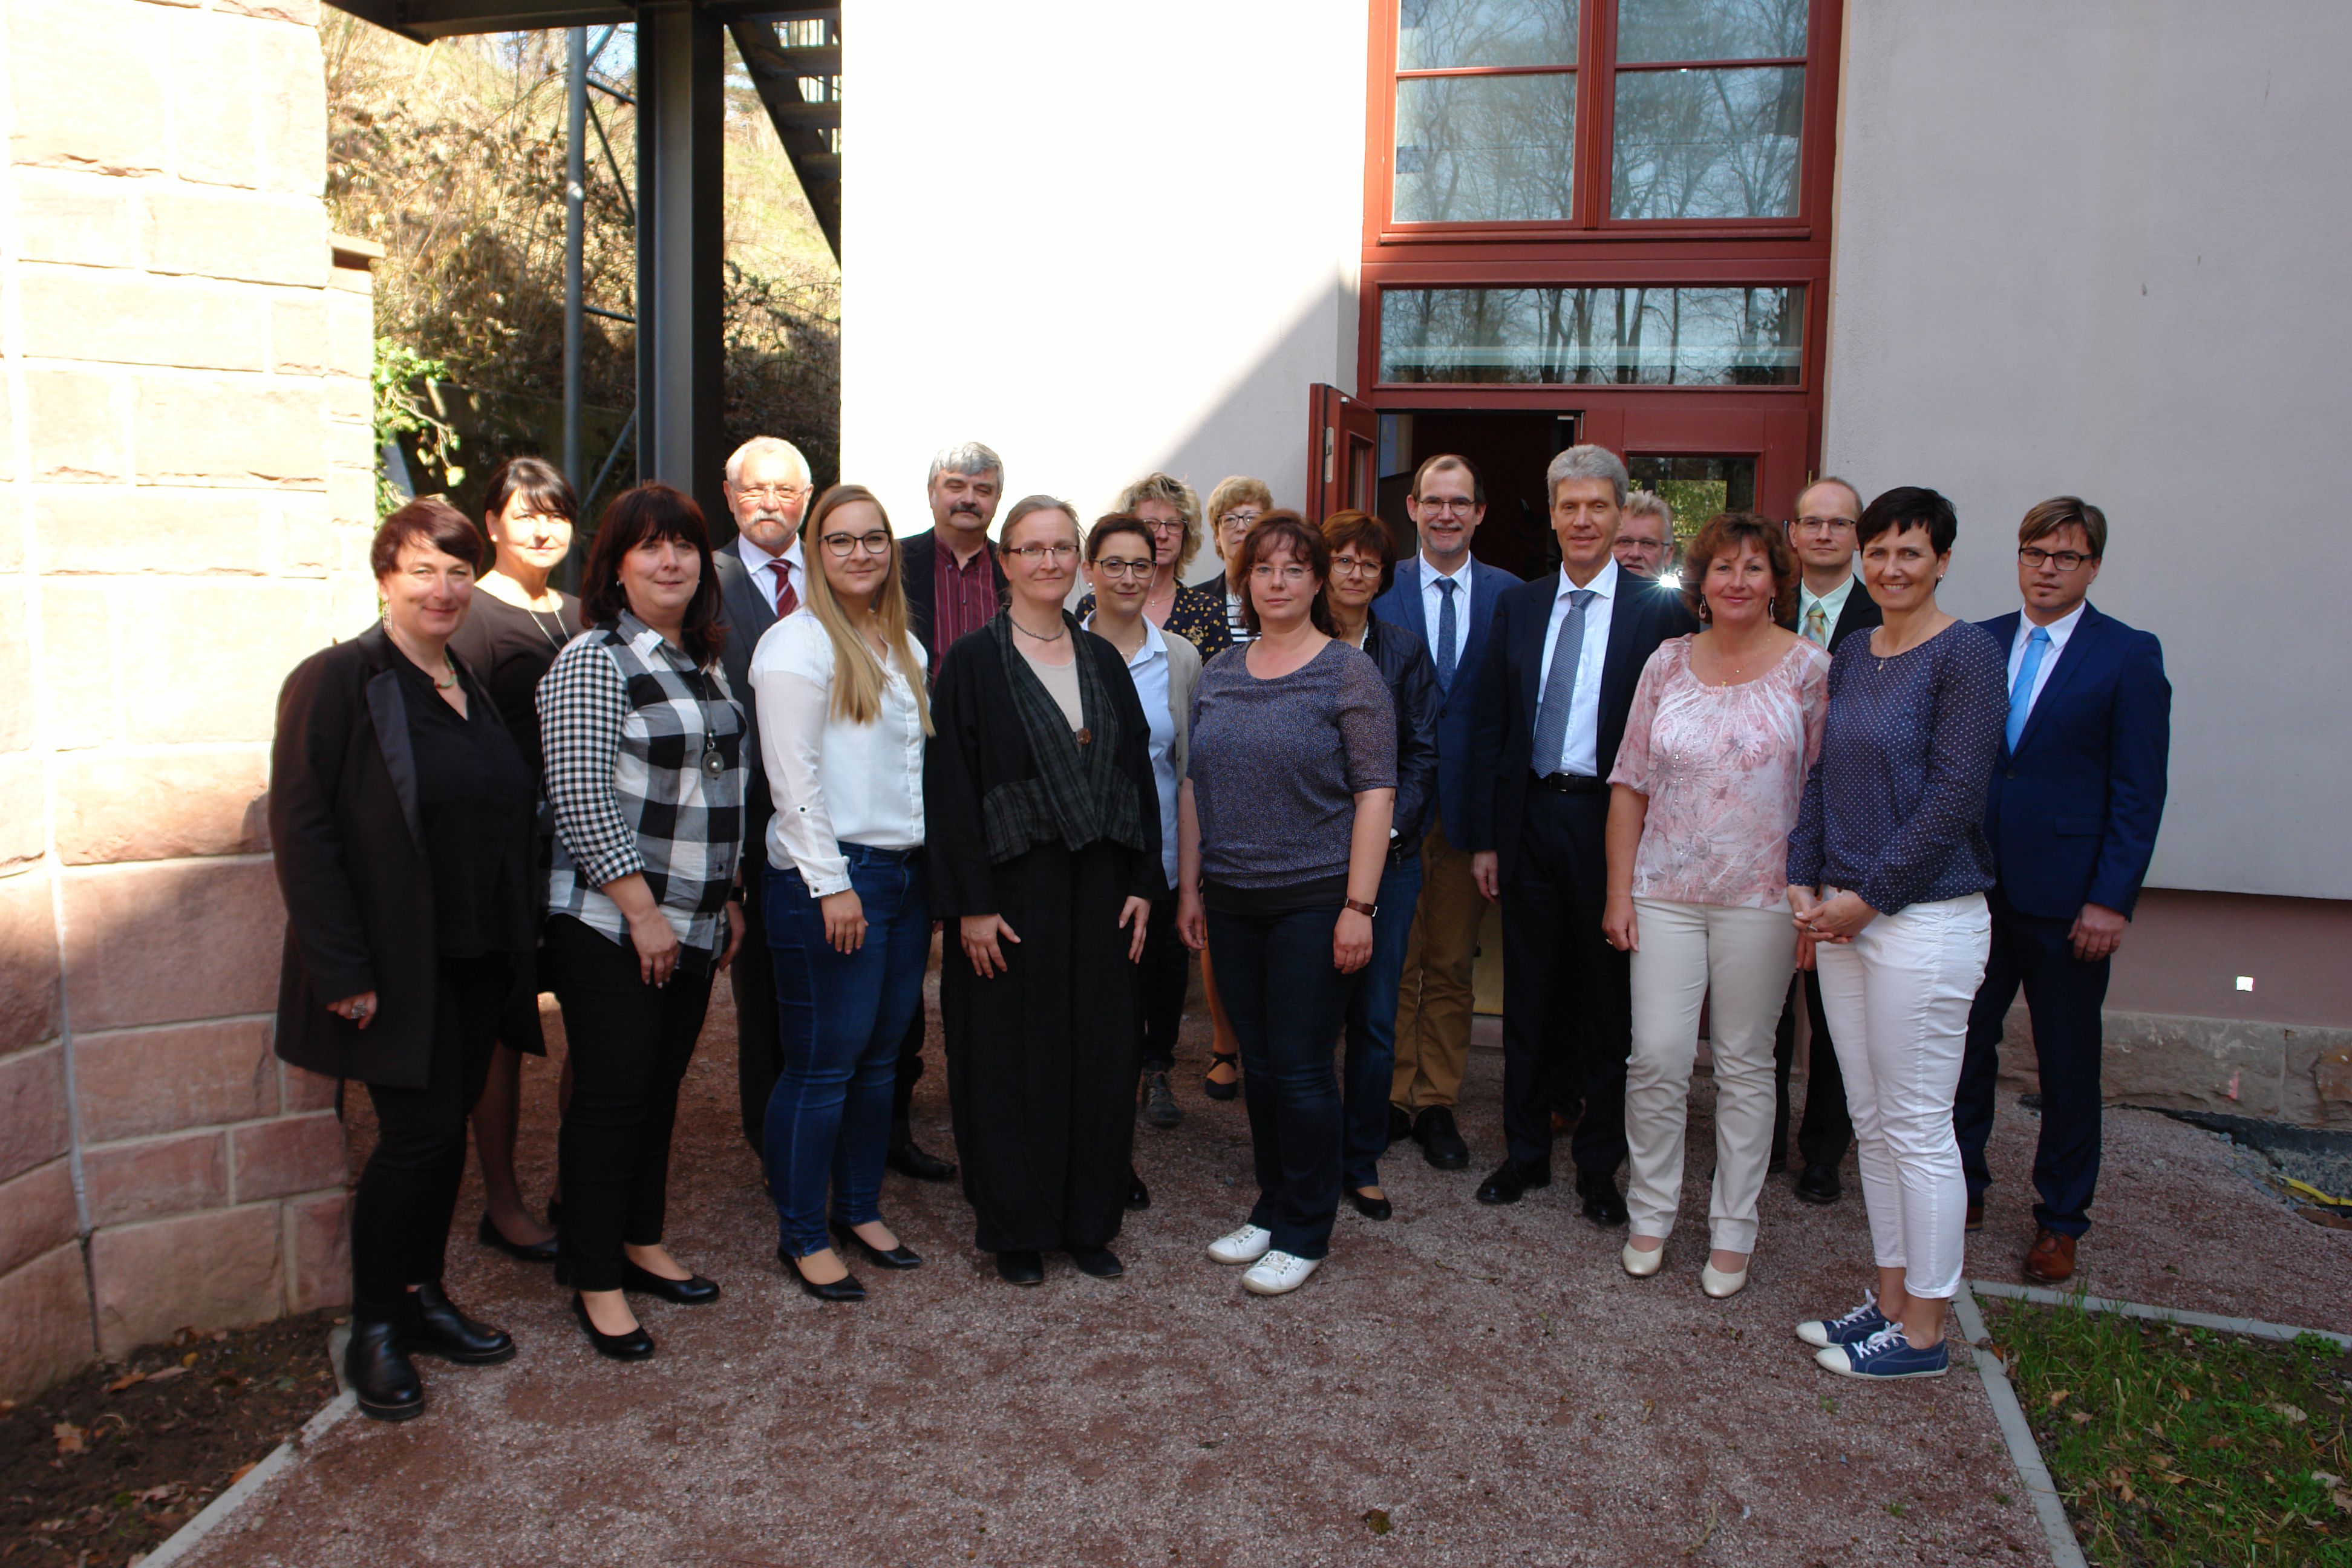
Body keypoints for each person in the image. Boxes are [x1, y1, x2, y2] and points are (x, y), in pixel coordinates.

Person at [271, 497, 536, 1420]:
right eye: (424, 568)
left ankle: (424, 1300)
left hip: (473, 959)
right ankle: (377, 1324)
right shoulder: (338, 681)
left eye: (460, 570)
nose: (444, 587)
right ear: (385, 576)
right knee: (416, 1139)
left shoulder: (466, 681)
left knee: (441, 1134)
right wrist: (342, 972)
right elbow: (303, 835)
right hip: (389, 969)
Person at [1786, 486, 2007, 1381]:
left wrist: (1867, 898)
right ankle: (1885, 1298)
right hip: (1845, 914)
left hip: (1925, 920)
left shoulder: (1970, 655)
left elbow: (1956, 798)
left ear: (1943, 560)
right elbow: (1823, 776)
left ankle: (1925, 1328)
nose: (1890, 566)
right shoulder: (1854, 650)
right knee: (1874, 1124)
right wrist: (1805, 876)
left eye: (1909, 552)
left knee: (1920, 1127)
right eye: (1878, 551)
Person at [926, 496, 1163, 1286]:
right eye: (1033, 549)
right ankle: (1018, 1228)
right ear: (1006, 560)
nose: (1049, 562)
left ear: (1079, 561)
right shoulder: (971, 662)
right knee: (1007, 1060)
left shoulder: (1101, 660)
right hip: (1010, 894)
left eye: (1063, 548)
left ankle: (1088, 1221)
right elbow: (951, 792)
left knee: (1100, 1055)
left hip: (1100, 887)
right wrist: (971, 905)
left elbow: (1139, 775)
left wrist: (1142, 881)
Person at [541, 483, 748, 1360]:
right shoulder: (593, 659)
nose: (670, 562)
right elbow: (581, 797)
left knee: (656, 1089)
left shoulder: (701, 661)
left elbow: (716, 790)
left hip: (694, 921)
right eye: (650, 548)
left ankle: (640, 1238)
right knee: (612, 1095)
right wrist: (643, 912)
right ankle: (594, 1275)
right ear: (616, 567)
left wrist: (726, 896)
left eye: (685, 547)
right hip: (612, 924)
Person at [1467, 445, 1699, 1220]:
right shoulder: (1521, 605)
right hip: (1532, 816)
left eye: (1598, 506)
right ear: (1553, 512)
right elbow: (1497, 723)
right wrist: (1492, 839)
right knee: (1527, 997)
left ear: (1620, 514)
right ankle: (1526, 1153)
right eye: (1569, 505)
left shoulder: (1660, 611)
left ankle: (1600, 1167)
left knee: (1608, 1004)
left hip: (1612, 822)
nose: (1583, 520)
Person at [1604, 514, 1829, 1299]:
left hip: (1763, 900)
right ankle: (1653, 1211)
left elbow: (1826, 795)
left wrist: (1815, 901)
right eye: (1724, 567)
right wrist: (1618, 893)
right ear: (1702, 581)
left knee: (1743, 1064)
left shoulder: (1810, 670)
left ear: (1778, 582)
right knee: (1658, 1056)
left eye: (1755, 567)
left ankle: (1735, 1230)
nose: (1738, 580)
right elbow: (1630, 783)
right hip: (1663, 892)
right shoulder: (1666, 664)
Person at [1179, 512, 1396, 1296]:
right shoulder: (1223, 672)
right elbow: (1197, 783)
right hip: (1232, 900)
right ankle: (1272, 1206)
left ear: (1318, 582)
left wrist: (1359, 907)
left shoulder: (1347, 673)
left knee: (1303, 1070)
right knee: (1263, 1068)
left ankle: (1306, 1228)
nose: (1277, 583)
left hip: (1315, 900)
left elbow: (1377, 792)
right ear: (1246, 581)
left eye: (1294, 570)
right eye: (1263, 570)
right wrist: (1193, 886)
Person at [1954, 497, 2170, 1285]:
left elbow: (2138, 791)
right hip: (1974, 888)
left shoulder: (2127, 656)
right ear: (2017, 559)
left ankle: (2061, 1219)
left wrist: (2112, 898)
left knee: (2067, 1064)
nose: (2047, 568)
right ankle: (1964, 1187)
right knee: (1966, 1045)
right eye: (2035, 552)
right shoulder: (1978, 644)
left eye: (2066, 557)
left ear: (2094, 567)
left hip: (2070, 901)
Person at [750, 484, 936, 1303]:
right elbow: (795, 784)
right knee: (823, 1066)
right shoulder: (795, 645)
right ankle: (801, 1232)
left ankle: (858, 1208)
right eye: (839, 540)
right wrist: (832, 886)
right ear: (815, 553)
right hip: (831, 880)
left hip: (901, 876)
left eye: (873, 539)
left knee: (878, 1062)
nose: (860, 553)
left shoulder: (904, 646)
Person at [445, 457, 581, 1266]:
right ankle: (503, 1203)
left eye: (556, 514)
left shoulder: (576, 611)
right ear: (492, 524)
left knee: (593, 1021)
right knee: (503, 1030)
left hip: (579, 847)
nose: (541, 528)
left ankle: (576, 1181)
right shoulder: (471, 615)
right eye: (524, 514)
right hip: (503, 857)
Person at [1371, 453, 1523, 1172]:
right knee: (1393, 960)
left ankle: (1436, 1101)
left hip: (1468, 816)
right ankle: (1390, 1096)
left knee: (1451, 965)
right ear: (1413, 509)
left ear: (1480, 513)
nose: (1446, 514)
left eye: (1461, 502)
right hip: (1393, 811)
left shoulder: (1512, 597)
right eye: (1434, 500)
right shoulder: (1377, 587)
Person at [887, 440, 1010, 1184]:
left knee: (984, 937)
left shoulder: (1015, 567)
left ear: (999, 497)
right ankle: (892, 1122)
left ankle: (987, 1105)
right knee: (904, 952)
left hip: (992, 777)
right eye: (955, 485)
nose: (968, 498)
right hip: (906, 767)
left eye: (983, 488)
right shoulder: (892, 564)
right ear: (933, 491)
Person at [1320, 509, 1439, 1221]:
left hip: (1389, 861)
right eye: (1344, 560)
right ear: (1323, 568)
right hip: (1307, 860)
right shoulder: (1293, 643)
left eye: (1369, 563)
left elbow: (1423, 751)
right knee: (1307, 1017)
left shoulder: (1403, 651)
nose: (1357, 572)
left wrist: (1387, 829)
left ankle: (1359, 1159)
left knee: (1373, 1017)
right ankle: (1300, 1151)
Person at [1770, 476, 1878, 1206]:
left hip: (1845, 837)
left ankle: (1822, 1152)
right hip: (1763, 834)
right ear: (1793, 532)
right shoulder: (1760, 604)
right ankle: (1762, 1139)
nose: (1824, 535)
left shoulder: (1882, 619)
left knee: (1836, 1014)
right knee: (1764, 1004)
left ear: (1857, 537)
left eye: (1839, 524)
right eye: (1812, 522)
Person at [1081, 513, 1203, 1140]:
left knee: (1159, 971)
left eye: (1141, 565)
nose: (1129, 577)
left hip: (1157, 853)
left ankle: (1155, 1069)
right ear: (1089, 570)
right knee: (1096, 981)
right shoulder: (1061, 651)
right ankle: (1097, 1082)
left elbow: (1187, 771)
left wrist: (1188, 884)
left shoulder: (1179, 658)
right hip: (1082, 858)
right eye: (1114, 564)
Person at [711, 436, 813, 1158]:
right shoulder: (703, 583)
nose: (771, 503)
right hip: (750, 822)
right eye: (755, 490)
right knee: (767, 995)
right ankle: (771, 1144)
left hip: (837, 815)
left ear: (806, 500)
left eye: (785, 491)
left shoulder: (839, 572)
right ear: (729, 496)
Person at [1191, 473, 1275, 1102]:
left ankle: (1275, 1044)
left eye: (1254, 519)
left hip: (1284, 788)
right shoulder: (1195, 607)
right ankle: (1224, 1045)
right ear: (1216, 536)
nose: (1242, 530)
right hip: (1216, 786)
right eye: (1231, 521)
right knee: (1221, 927)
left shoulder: (1289, 594)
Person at [1075, 474, 1233, 662]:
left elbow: (1220, 685)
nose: (1163, 534)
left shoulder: (1206, 611)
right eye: (1151, 524)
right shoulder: (1093, 606)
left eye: (1173, 525)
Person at [1615, 491, 1674, 580]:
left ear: (1668, 555)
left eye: (1648, 544)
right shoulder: (1588, 593)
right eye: (1625, 542)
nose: (1635, 554)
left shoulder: (1680, 595)